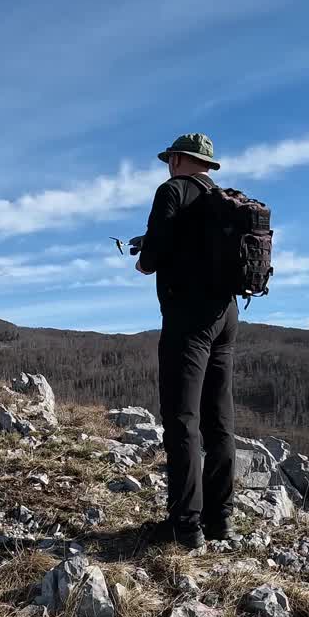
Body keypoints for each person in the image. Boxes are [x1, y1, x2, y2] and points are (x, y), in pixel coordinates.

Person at [135, 133, 238, 550]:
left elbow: (153, 255)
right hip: (227, 315)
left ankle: (185, 525)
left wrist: (143, 260)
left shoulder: (171, 191)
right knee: (219, 420)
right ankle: (221, 520)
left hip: (188, 318)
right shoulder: (225, 201)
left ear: (178, 159)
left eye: (169, 159)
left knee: (182, 420)